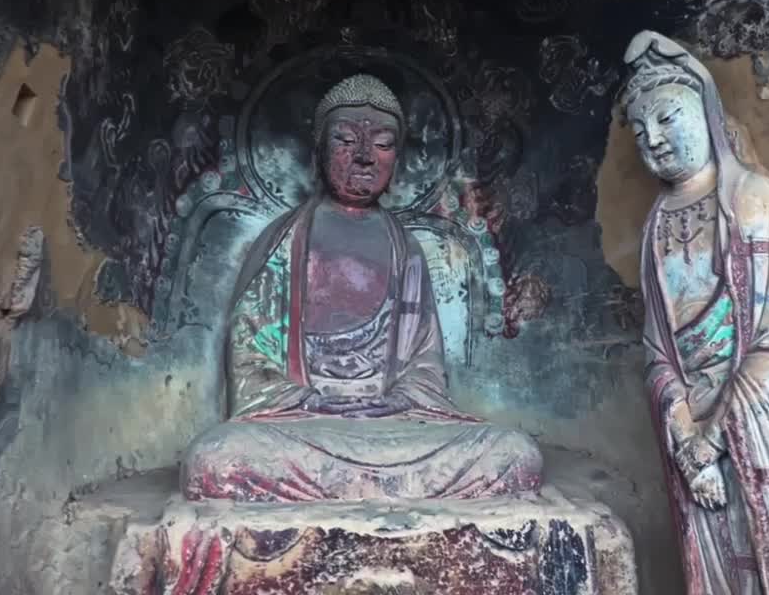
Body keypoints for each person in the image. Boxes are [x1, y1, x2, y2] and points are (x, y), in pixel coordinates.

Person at [182, 74, 542, 502]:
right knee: (218, 460)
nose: (365, 157)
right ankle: (379, 488)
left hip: (395, 427)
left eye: (384, 144)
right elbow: (250, 354)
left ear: (398, 162)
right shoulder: (285, 240)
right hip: (304, 423)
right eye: (346, 140)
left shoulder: (404, 248)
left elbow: (425, 367)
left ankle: (363, 484)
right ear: (318, 150)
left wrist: (398, 400)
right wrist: (311, 401)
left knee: (513, 455)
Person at [620, 31, 769, 594]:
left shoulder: (752, 200)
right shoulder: (656, 224)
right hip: (695, 440)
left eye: (666, 118)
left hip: (759, 421)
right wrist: (685, 437)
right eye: (638, 130)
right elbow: (658, 349)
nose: (652, 140)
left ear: (704, 113)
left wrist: (712, 439)